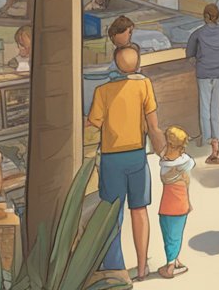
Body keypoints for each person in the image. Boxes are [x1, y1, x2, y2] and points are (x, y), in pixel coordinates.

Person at [88, 46, 166, 279]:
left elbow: (94, 122)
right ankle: (142, 268)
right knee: (139, 211)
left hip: (112, 158)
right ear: (138, 64)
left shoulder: (102, 91)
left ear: (114, 64)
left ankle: (116, 269)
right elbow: (153, 125)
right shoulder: (144, 85)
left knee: (113, 215)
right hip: (137, 155)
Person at [185, 4, 219, 164]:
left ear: (205, 16)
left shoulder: (198, 33)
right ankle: (217, 141)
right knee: (215, 108)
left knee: (205, 107)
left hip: (204, 73)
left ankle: (208, 139)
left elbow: (189, 53)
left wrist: (198, 64)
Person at [156, 126, 194, 279]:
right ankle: (175, 261)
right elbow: (187, 183)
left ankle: (170, 266)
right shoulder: (185, 162)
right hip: (180, 205)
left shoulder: (166, 166)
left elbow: (163, 160)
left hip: (168, 206)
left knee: (169, 235)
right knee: (175, 235)